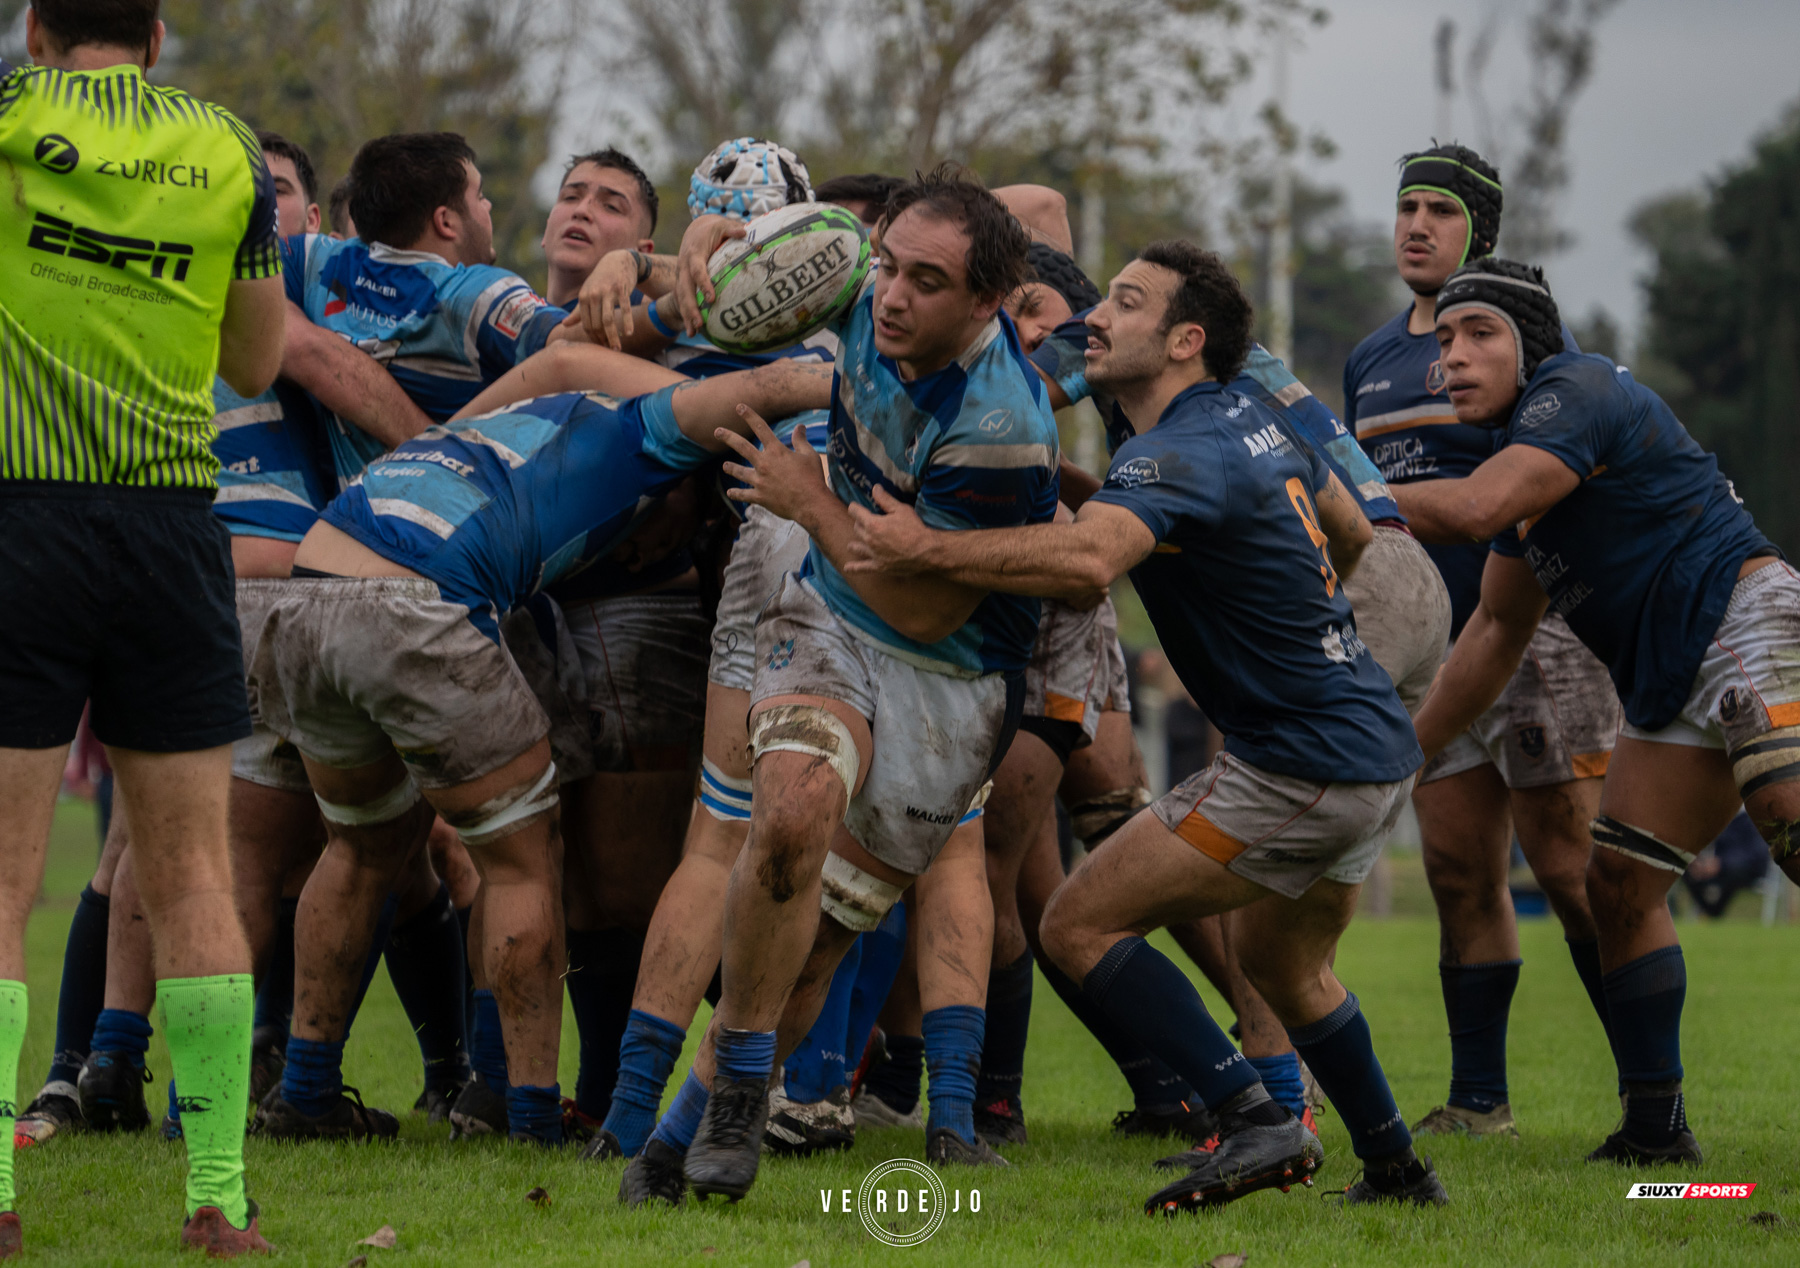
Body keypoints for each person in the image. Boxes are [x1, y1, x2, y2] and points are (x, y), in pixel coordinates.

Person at [847, 241, 1449, 1212]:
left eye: (1124, 303)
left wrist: (930, 544)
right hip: (1372, 747)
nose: (1097, 317)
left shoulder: (1173, 450)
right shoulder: (1252, 416)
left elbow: (1089, 565)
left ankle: (1253, 1118)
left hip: (1300, 763)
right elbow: (1348, 531)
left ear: (1184, 340)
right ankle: (1399, 1170)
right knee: (1290, 971)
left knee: (1077, 922)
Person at [241, 348, 831, 1149]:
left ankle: (306, 1092)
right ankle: (528, 1117)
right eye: (674, 529)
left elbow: (558, 361)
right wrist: (875, 383)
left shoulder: (502, 428)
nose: (641, 551)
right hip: (418, 602)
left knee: (361, 846)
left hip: (306, 594)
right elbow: (763, 388)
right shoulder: (642, 435)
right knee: (522, 857)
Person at [615, 163, 1058, 1208]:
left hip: (947, 674)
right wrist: (711, 236)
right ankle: (734, 1109)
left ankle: (685, 1132)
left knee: (814, 944)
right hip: (827, 612)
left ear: (986, 302)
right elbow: (728, 285)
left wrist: (807, 499)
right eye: (889, 265)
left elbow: (922, 612)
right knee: (788, 817)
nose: (892, 296)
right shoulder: (860, 281)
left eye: (928, 281)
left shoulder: (1002, 427)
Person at [1398, 257, 1796, 1165]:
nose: (1451, 357)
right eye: (1446, 339)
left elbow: (1473, 506)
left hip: (1744, 619)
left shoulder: (1572, 387)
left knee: (1792, 831)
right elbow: (1495, 629)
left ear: (1531, 344)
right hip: (1667, 680)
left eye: (1479, 335)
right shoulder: (1527, 474)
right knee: (1616, 889)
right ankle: (1656, 1141)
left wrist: (1331, 494)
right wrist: (1401, 755)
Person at [0, 0, 287, 1252]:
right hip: (173, 531)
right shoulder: (228, 146)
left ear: (34, 31)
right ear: (159, 36)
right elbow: (261, 360)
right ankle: (217, 1195)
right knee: (192, 875)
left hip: (21, 520)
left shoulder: (9, 116)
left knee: (3, 881)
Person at [1345, 144, 1617, 1138]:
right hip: (1435, 653)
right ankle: (1477, 1100)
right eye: (1407, 204)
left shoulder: (1524, 340)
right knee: (1461, 871)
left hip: (1539, 630)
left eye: (1441, 211)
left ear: (1482, 233)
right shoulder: (1370, 359)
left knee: (1572, 869)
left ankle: (1650, 1098)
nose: (1417, 223)